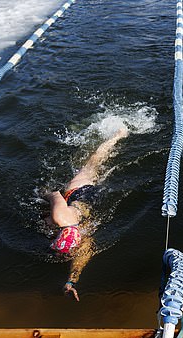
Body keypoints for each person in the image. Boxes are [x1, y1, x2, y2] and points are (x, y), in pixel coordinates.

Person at [44, 126, 129, 301]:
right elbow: (54, 194)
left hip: (85, 195)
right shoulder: (61, 218)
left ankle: (118, 135)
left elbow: (54, 194)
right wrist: (70, 282)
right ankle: (118, 136)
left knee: (96, 163)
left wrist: (41, 196)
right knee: (94, 163)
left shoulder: (77, 231)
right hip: (84, 195)